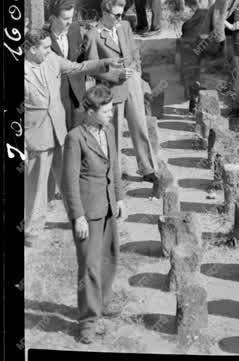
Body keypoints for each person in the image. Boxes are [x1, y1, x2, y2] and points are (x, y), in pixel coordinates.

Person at [23, 28, 120, 248]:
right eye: (46, 47)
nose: (50, 51)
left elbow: (78, 67)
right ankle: (32, 231)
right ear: (31, 49)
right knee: (37, 185)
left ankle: (78, 218)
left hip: (59, 131)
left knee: (69, 178)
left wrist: (104, 62)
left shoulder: (52, 59)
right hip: (36, 136)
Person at [62, 84, 125, 344]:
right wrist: (77, 217)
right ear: (89, 111)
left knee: (109, 257)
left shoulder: (108, 130)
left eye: (111, 110)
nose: (111, 114)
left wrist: (120, 197)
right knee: (89, 265)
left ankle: (103, 301)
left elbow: (115, 165)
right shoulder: (75, 138)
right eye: (106, 111)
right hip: (88, 212)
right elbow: (69, 182)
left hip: (109, 206)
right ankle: (87, 321)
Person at [84, 0, 159, 186]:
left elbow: (134, 52)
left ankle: (148, 168)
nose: (119, 18)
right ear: (105, 12)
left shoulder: (124, 26)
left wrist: (137, 73)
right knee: (114, 136)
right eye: (116, 15)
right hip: (112, 90)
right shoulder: (93, 35)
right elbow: (92, 67)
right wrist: (115, 76)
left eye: (121, 14)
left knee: (140, 127)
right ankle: (113, 175)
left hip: (132, 83)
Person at [47, 0, 92, 131]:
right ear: (52, 19)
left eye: (71, 18)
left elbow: (81, 59)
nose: (69, 22)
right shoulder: (43, 39)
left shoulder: (75, 29)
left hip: (78, 97)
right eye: (65, 18)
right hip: (56, 101)